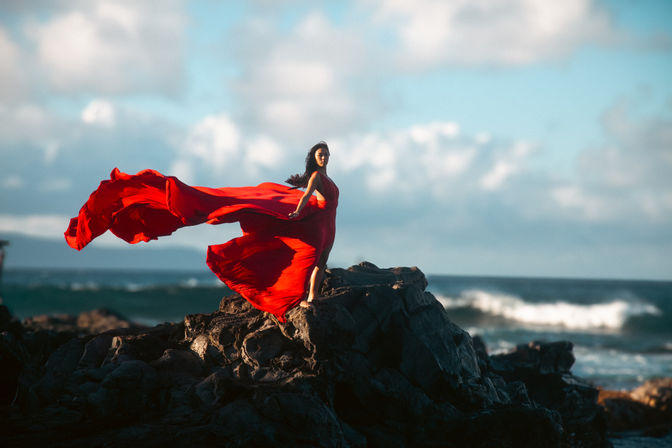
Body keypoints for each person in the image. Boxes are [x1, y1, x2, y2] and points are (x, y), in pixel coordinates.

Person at [64, 142, 338, 322]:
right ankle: (307, 299)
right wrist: (296, 211)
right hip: (315, 222)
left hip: (327, 222)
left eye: (325, 154)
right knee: (311, 258)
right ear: (314, 157)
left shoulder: (327, 177)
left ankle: (313, 297)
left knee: (321, 261)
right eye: (319, 153)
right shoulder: (316, 178)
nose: (323, 156)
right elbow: (305, 198)